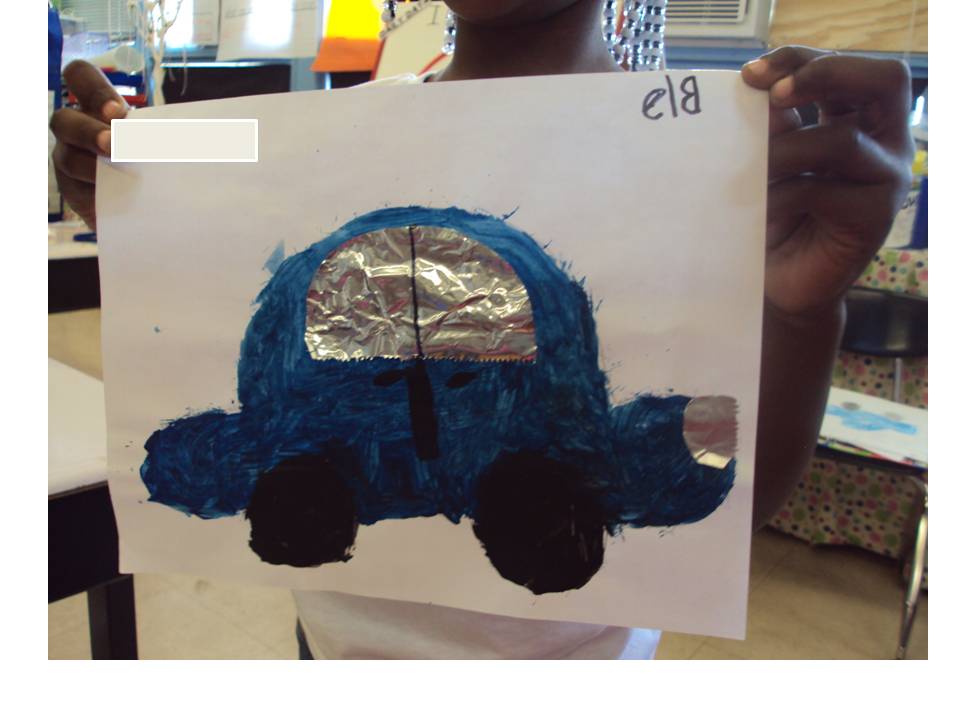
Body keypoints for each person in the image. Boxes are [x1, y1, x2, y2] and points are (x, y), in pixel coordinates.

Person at [50, 0, 914, 659]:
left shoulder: (719, 154)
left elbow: (728, 511)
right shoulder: (313, 130)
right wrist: (125, 187)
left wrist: (805, 313)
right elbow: (174, 176)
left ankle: (523, 494)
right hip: (333, 652)